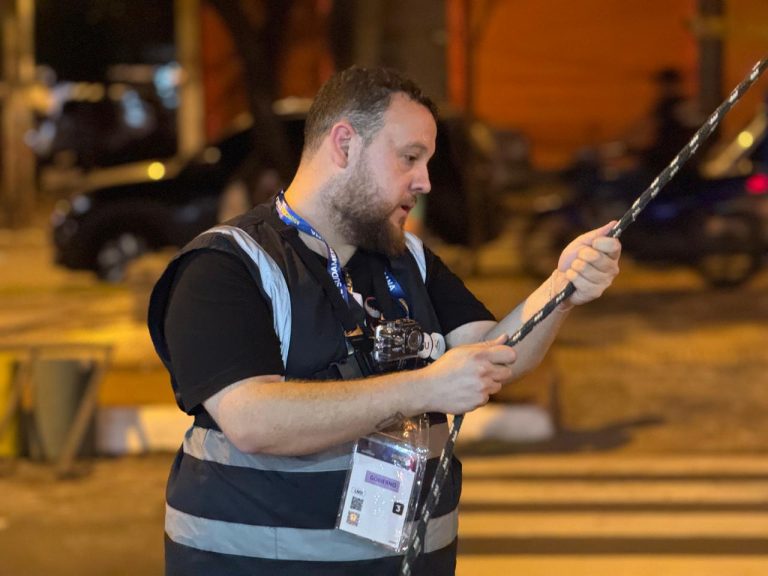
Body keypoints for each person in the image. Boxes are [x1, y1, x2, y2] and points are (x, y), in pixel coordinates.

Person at [148, 66, 622, 576]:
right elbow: (252, 420)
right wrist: (423, 388)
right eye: (409, 158)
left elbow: (492, 354)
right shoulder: (226, 265)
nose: (425, 182)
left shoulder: (407, 258)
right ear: (345, 145)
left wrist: (562, 288)